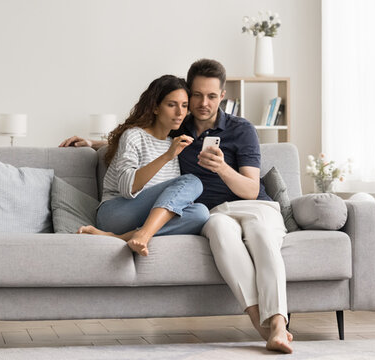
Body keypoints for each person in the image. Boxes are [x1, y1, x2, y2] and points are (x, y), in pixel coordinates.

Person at [60, 60, 293, 354]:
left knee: (238, 228)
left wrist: (222, 168)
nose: (202, 104)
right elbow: (142, 135)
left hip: (250, 207)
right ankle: (261, 325)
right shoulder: (179, 127)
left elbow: (251, 190)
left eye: (211, 96)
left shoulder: (237, 129)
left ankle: (276, 325)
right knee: (205, 208)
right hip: (196, 212)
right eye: (196, 96)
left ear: (223, 96)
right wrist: (97, 143)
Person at [76, 75, 210, 257]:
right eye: (172, 105)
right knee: (192, 181)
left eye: (184, 106)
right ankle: (143, 234)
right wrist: (167, 156)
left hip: (145, 216)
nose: (180, 112)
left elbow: (171, 199)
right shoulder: (134, 136)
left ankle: (121, 237)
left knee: (200, 213)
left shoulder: (172, 143)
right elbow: (127, 188)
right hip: (116, 213)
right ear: (155, 107)